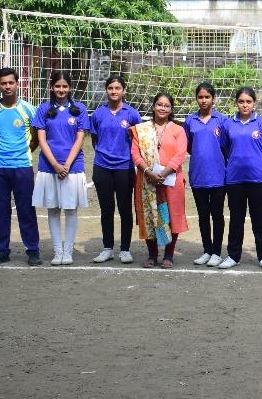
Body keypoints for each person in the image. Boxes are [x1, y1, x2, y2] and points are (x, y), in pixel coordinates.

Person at [31, 70, 90, 266]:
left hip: (72, 167)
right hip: (49, 167)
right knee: (53, 209)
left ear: (70, 88)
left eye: (65, 86)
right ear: (51, 87)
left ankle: (68, 251)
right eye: (57, 86)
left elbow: (80, 139)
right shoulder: (44, 109)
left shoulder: (79, 109)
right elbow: (41, 139)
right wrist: (56, 165)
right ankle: (57, 252)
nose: (61, 90)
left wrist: (66, 164)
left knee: (71, 209)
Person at [0, 68, 40, 266]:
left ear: (17, 84)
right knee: (1, 210)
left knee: (26, 209)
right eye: (3, 83)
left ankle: (32, 250)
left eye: (11, 83)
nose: (7, 87)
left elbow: (35, 139)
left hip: (22, 167)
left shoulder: (28, 109)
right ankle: (2, 250)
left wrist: (23, 153)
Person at [220, 86, 262, 269]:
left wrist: (257, 165)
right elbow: (225, 149)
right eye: (241, 101)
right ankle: (233, 255)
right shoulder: (228, 124)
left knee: (259, 218)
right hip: (235, 179)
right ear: (236, 103)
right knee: (236, 219)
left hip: (258, 179)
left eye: (248, 101)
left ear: (254, 103)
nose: (245, 105)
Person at [131, 92, 188, 268]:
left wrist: (164, 172)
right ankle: (152, 254)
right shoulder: (141, 129)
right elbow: (135, 153)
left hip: (171, 181)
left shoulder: (178, 130)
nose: (163, 108)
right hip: (147, 180)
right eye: (159, 104)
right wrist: (148, 172)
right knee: (149, 214)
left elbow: (180, 154)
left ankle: (169, 255)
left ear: (171, 109)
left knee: (170, 215)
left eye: (167, 105)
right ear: (154, 106)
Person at [89, 75, 141, 265]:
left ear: (123, 90)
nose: (114, 91)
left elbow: (138, 141)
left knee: (125, 209)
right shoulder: (98, 114)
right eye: (110, 88)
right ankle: (107, 248)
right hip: (102, 167)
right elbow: (95, 140)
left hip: (124, 168)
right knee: (106, 209)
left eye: (117, 88)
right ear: (106, 90)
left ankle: (125, 249)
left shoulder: (132, 114)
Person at [184, 82, 228, 267]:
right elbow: (188, 147)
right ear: (196, 99)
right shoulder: (190, 121)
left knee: (217, 215)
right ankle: (206, 250)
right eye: (200, 97)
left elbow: (226, 147)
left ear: (213, 99)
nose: (203, 100)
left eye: (207, 97)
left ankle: (217, 252)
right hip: (198, 175)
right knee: (203, 215)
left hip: (218, 176)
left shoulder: (223, 120)